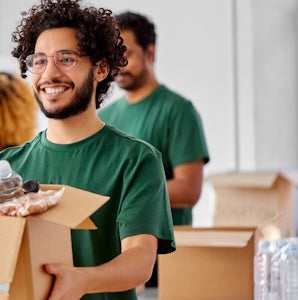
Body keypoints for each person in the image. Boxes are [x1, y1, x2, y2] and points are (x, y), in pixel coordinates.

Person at [0, 1, 175, 299]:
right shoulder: (6, 166)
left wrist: (82, 280)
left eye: (66, 59)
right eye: (39, 61)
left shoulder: (136, 160)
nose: (49, 74)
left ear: (101, 68)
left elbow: (141, 259)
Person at [98, 11, 210, 288]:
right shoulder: (105, 117)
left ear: (150, 52)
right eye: (114, 56)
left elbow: (189, 190)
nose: (119, 65)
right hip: (115, 256)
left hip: (165, 258)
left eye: (128, 54)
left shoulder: (178, 110)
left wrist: (122, 195)